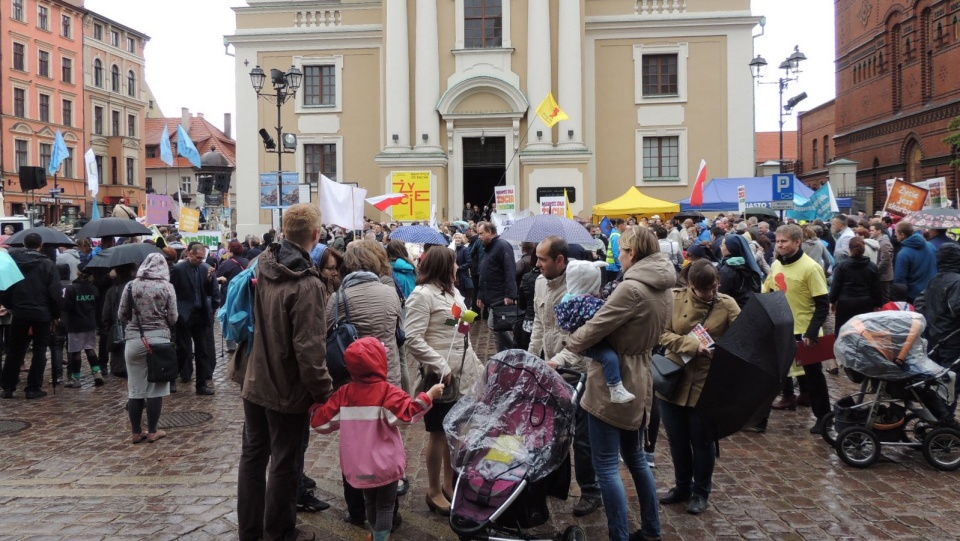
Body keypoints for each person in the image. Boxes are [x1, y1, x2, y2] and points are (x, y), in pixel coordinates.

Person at [566, 226, 674, 541]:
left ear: (634, 253)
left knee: (607, 466)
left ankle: (620, 535)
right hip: (642, 375)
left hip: (616, 381)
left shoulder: (633, 288)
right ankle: (652, 530)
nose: (619, 257)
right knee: (637, 459)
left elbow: (598, 326)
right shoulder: (665, 285)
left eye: (622, 252)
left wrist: (573, 339)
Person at [238, 204, 334, 541]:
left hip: (256, 379)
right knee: (284, 461)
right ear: (316, 235)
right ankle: (278, 532)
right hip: (286, 389)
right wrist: (325, 394)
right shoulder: (307, 285)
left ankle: (250, 532)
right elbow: (310, 351)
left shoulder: (266, 265)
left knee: (253, 457)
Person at [310, 338, 443, 541]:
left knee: (369, 502)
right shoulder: (387, 392)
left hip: (359, 465)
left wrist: (314, 409)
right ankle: (381, 537)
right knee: (386, 505)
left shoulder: (344, 394)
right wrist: (429, 395)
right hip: (386, 465)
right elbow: (408, 414)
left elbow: (321, 423)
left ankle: (375, 534)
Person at [328, 240, 404, 525]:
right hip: (388, 379)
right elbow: (399, 330)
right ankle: (389, 513)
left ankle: (358, 511)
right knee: (386, 443)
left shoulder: (338, 298)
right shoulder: (389, 292)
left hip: (353, 382)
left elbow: (326, 332)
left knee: (355, 444)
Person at [404, 247, 483, 517]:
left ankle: (450, 485)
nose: (458, 268)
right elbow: (413, 338)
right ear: (442, 266)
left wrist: (464, 322)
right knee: (438, 433)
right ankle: (434, 490)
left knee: (454, 434)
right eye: (454, 264)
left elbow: (453, 325)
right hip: (440, 377)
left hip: (462, 374)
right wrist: (441, 365)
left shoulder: (452, 291)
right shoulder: (421, 295)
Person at [526, 236, 602, 517]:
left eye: (543, 259)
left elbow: (582, 338)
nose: (537, 264)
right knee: (549, 431)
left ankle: (591, 490)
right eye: (537, 257)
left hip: (577, 370)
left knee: (582, 437)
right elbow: (538, 323)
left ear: (560, 260)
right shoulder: (538, 282)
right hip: (550, 368)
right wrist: (531, 358)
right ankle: (553, 483)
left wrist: (561, 360)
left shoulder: (578, 286)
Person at [658, 259, 740, 515]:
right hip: (673, 379)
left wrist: (722, 351)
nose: (710, 294)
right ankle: (682, 486)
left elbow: (742, 338)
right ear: (690, 284)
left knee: (702, 442)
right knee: (677, 440)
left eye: (714, 288)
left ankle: (701, 491)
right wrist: (693, 346)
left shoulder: (727, 305)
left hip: (706, 384)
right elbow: (662, 333)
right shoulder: (673, 298)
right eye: (703, 290)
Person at [762, 224, 831, 434]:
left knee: (814, 378)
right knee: (775, 374)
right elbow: (770, 292)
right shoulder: (776, 265)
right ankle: (759, 417)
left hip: (806, 331)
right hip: (782, 328)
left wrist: (811, 332)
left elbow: (822, 305)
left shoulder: (811, 268)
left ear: (797, 242)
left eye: (784, 241)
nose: (779, 245)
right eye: (778, 241)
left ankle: (824, 418)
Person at [555, 259, 636, 403]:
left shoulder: (569, 298)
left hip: (582, 339)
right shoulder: (586, 302)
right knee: (609, 357)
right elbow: (605, 313)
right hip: (591, 342)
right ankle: (615, 387)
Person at [117, 253, 177, 443]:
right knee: (155, 389)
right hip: (159, 339)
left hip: (135, 339)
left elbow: (122, 314)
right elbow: (174, 317)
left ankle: (135, 432)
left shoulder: (130, 286)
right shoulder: (167, 287)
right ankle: (152, 430)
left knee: (135, 389)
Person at [0, 233, 61, 399]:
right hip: (42, 312)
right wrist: (56, 314)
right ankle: (33, 387)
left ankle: (7, 386)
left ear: (24, 244)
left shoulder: (14, 263)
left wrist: (11, 305)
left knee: (15, 349)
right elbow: (54, 291)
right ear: (41, 244)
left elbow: (4, 287)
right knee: (39, 350)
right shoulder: (47, 264)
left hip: (20, 311)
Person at [170, 243, 220, 395]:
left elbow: (210, 291)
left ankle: (201, 384)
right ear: (189, 254)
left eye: (202, 258)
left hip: (200, 314)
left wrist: (211, 279)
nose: (200, 260)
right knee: (183, 350)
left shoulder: (205, 269)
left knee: (202, 350)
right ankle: (172, 379)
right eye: (198, 257)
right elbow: (172, 290)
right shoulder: (179, 269)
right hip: (184, 314)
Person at [917, 243, 960, 371]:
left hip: (935, 336)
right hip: (952, 339)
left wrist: (933, 319)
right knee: (952, 378)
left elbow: (920, 302)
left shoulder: (934, 279)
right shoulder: (956, 281)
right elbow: (957, 308)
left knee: (939, 377)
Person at [476, 221, 518, 352]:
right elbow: (485, 273)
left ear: (490, 232)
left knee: (495, 326)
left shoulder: (502, 246)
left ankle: (513, 350)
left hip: (500, 296)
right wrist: (480, 295)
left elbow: (509, 270)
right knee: (497, 328)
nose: (479, 237)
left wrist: (510, 294)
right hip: (491, 296)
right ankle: (505, 354)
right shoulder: (489, 247)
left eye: (481, 233)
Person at [62, 265, 103, 388]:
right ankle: (97, 374)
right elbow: (96, 304)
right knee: (90, 348)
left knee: (75, 352)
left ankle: (76, 378)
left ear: (78, 273)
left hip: (75, 324)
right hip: (90, 323)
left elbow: (66, 307)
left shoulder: (71, 289)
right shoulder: (94, 288)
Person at [829, 236, 882, 330]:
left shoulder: (842, 266)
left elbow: (836, 285)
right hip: (865, 303)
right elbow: (877, 288)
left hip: (845, 303)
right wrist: (878, 304)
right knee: (863, 331)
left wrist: (832, 301)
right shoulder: (872, 267)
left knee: (844, 330)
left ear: (849, 249)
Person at [216, 241, 251, 353]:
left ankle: (231, 344)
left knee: (227, 318)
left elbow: (217, 277)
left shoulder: (226, 263)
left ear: (230, 251)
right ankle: (244, 339)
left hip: (229, 295)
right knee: (244, 316)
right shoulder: (248, 262)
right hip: (245, 295)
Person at [894, 221, 938, 303]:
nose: (895, 235)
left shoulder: (904, 253)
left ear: (902, 234)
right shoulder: (931, 246)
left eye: (896, 232)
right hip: (932, 291)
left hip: (913, 295)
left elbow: (900, 280)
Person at [717, 234, 762, 309]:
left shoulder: (727, 270)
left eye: (722, 245)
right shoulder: (750, 264)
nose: (721, 248)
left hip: (735, 311)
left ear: (729, 248)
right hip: (752, 309)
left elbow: (721, 296)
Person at [869, 221, 894, 303]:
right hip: (880, 276)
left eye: (872, 230)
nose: (870, 232)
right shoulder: (876, 241)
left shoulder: (885, 243)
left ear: (879, 231)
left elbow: (885, 261)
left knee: (884, 299)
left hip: (884, 277)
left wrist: (875, 271)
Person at [453, 233, 474, 308]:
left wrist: (459, 267)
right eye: (456, 237)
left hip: (463, 277)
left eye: (459, 237)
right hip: (454, 277)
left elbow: (469, 263)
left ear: (461, 239)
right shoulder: (452, 249)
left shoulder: (465, 249)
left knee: (464, 297)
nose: (457, 239)